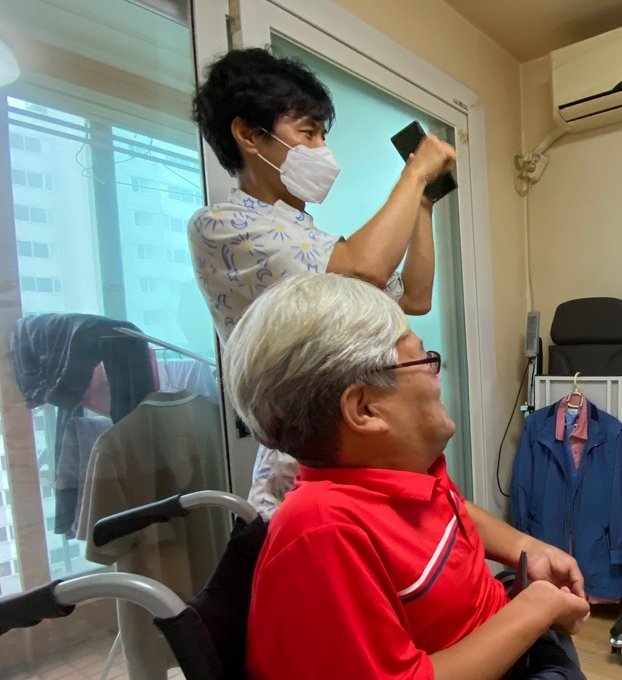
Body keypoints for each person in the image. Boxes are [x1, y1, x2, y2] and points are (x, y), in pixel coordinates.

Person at [223, 273, 622, 680]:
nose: (436, 373)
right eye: (422, 360)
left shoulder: (392, 476)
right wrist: (535, 610)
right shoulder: (320, 532)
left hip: (472, 661)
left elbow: (454, 511)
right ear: (364, 409)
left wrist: (530, 549)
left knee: (541, 631)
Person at [188, 47, 456, 515]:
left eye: (323, 136)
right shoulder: (223, 225)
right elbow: (365, 269)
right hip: (305, 461)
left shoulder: (306, 236)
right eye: (308, 132)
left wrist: (423, 204)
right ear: (249, 134)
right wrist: (415, 173)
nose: (322, 151)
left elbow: (415, 296)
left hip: (357, 442)